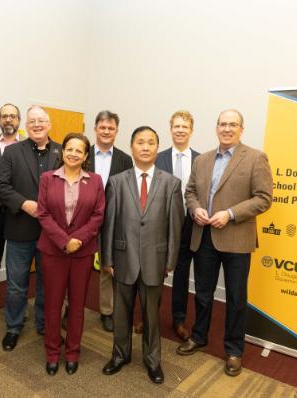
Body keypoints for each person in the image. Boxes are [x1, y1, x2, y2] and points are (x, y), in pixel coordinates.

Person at [176, 109, 273, 377]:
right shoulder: (203, 159)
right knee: (203, 294)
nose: (227, 129)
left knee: (235, 298)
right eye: (222, 124)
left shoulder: (255, 157)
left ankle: (233, 350)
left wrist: (230, 214)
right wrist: (195, 209)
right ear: (216, 127)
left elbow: (264, 198)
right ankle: (199, 336)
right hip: (204, 236)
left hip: (236, 239)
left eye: (233, 124)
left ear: (242, 129)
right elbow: (191, 191)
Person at [101, 126, 183, 384]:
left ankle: (152, 360)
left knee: (151, 316)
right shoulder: (117, 181)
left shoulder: (171, 183)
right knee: (121, 313)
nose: (145, 147)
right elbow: (109, 223)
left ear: (157, 148)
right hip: (123, 259)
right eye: (140, 142)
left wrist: (170, 261)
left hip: (154, 261)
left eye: (150, 143)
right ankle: (120, 354)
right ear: (132, 147)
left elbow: (175, 226)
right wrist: (107, 259)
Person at [0, 105, 62, 351]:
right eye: (32, 121)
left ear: (49, 124)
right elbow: (0, 185)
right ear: (26, 125)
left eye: (41, 121)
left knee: (48, 283)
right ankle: (13, 327)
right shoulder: (12, 152)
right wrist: (23, 204)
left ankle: (44, 324)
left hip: (52, 234)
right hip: (20, 230)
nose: (37, 124)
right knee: (16, 284)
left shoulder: (62, 152)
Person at [37, 133, 105, 376]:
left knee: (77, 304)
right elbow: (43, 213)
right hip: (53, 251)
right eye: (70, 149)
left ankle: (73, 352)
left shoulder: (95, 181)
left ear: (86, 156)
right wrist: (65, 241)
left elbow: (98, 215)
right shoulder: (47, 179)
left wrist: (79, 240)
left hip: (82, 253)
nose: (74, 153)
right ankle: (53, 353)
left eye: (79, 150)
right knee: (53, 304)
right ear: (62, 151)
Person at [155, 110, 200, 341]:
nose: (180, 130)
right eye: (176, 126)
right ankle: (149, 316)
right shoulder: (158, 158)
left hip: (189, 227)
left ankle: (179, 319)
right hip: (161, 226)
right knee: (153, 273)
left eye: (185, 127)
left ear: (191, 130)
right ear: (170, 129)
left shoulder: (201, 160)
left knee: (182, 274)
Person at [88, 110, 133, 333]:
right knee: (77, 267)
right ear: (95, 129)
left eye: (111, 128)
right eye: (102, 127)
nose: (106, 131)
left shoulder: (125, 159)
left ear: (116, 131)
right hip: (82, 222)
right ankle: (69, 308)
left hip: (111, 223)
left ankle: (107, 311)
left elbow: (127, 194)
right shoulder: (82, 152)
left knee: (107, 268)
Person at [0, 103, 27, 319]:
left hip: (21, 211)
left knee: (20, 260)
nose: (8, 120)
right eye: (4, 116)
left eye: (12, 116)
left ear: (19, 120)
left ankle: (19, 304)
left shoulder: (29, 144)